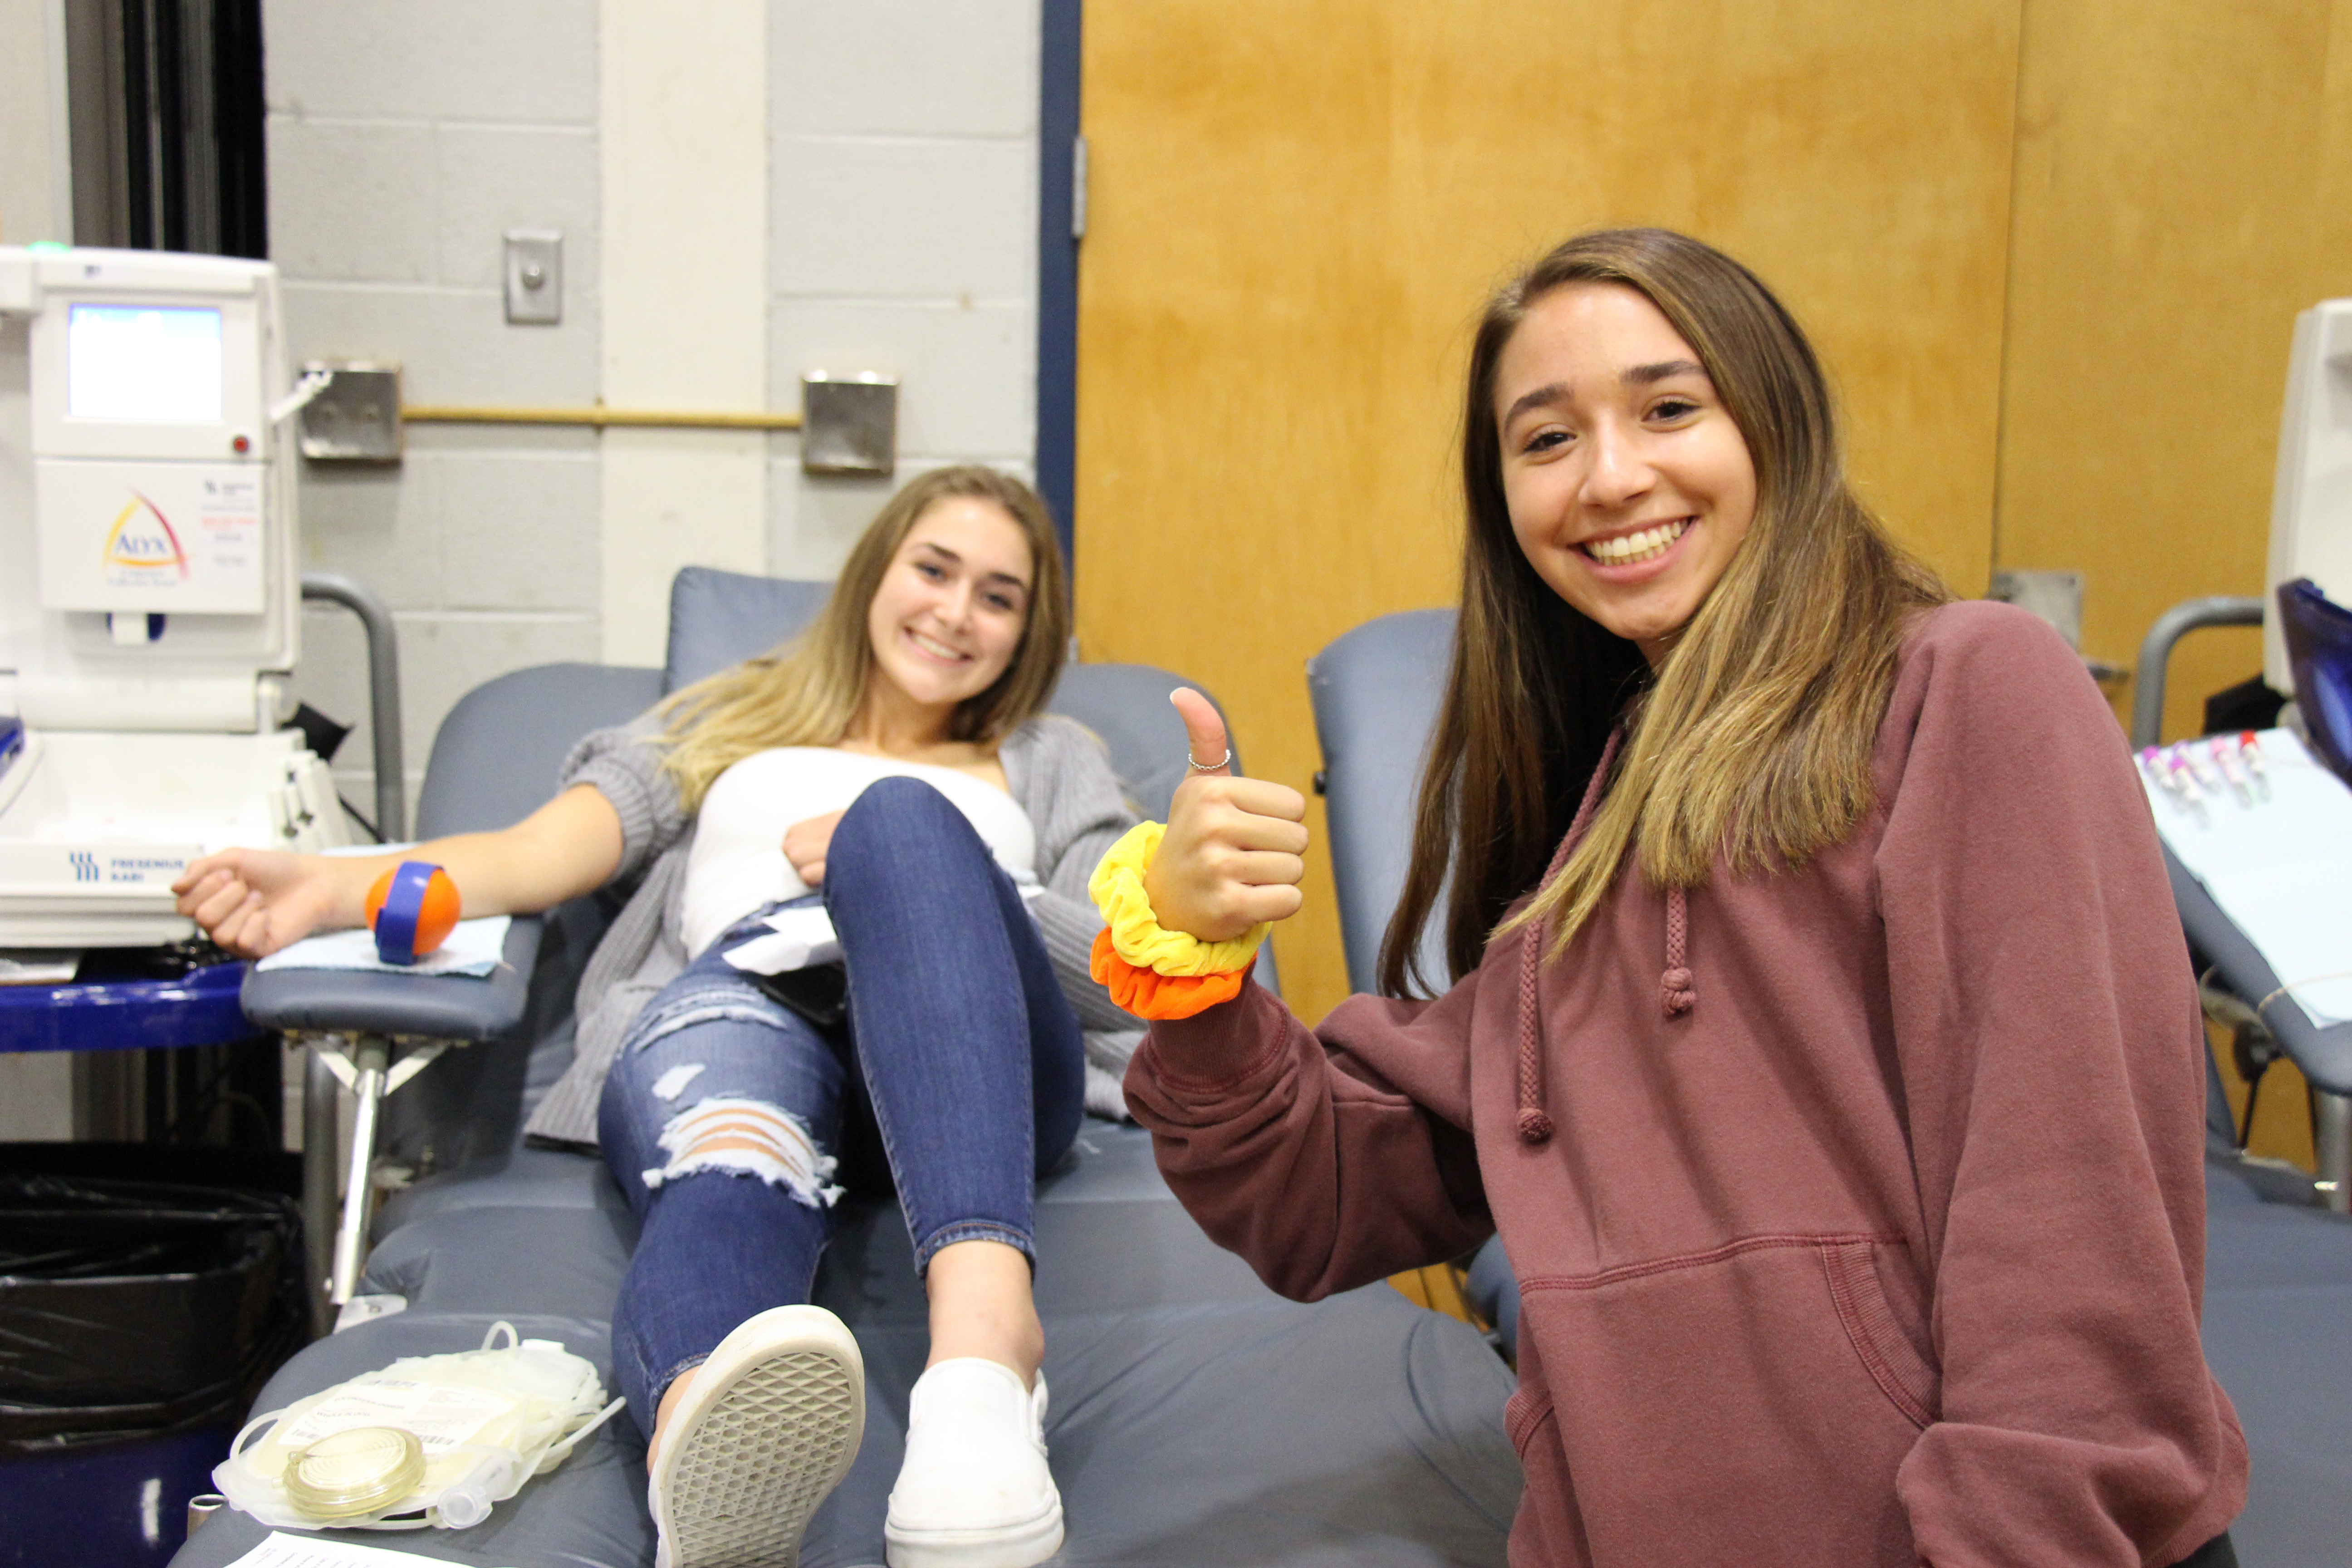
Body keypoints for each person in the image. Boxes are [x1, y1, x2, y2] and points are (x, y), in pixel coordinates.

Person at [1112, 230, 2247, 1566]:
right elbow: (1314, 1200)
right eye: (1544, 441)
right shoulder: (1589, 858)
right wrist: (1194, 953)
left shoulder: (1970, 685)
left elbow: (2070, 1231)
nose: (1609, 477)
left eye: (1667, 409)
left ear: (1773, 419)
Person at [173, 465, 1143, 1568]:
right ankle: (707, 1445)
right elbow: (534, 856)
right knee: (733, 1160)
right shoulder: (734, 723)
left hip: (975, 1043)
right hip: (751, 994)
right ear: (879, 573)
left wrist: (926, 861)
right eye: (935, 569)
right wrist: (325, 884)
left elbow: (1124, 967)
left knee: (903, 822)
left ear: (1028, 632)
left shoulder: (1050, 764)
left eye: (999, 596)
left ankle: (984, 1354)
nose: (956, 612)